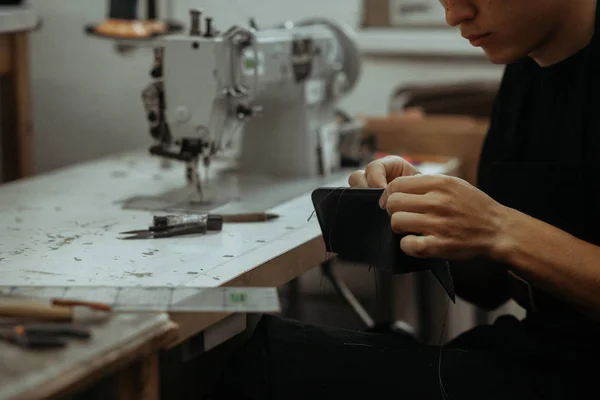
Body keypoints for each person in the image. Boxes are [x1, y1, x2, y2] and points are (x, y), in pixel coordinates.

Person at [210, 0, 600, 398]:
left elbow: (506, 234)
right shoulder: (526, 71)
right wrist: (426, 215)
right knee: (272, 352)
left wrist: (500, 228)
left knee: (268, 367)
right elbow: (491, 285)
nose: (454, 16)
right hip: (540, 351)